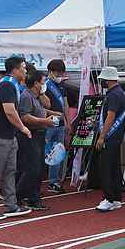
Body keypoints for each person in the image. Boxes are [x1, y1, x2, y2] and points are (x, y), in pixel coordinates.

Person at [0, 57, 32, 222]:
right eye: (23, 68)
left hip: (7, 135)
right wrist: (23, 128)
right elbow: (9, 111)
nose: (25, 71)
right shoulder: (7, 85)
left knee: (10, 170)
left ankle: (11, 205)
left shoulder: (11, 85)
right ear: (15, 70)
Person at [16, 70, 55, 211]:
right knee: (32, 169)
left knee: (38, 168)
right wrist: (44, 121)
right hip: (30, 135)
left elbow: (48, 105)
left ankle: (34, 198)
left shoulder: (37, 96)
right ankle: (18, 196)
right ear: (36, 83)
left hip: (39, 134)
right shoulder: (26, 96)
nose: (44, 84)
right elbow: (25, 117)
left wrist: (42, 92)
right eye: (43, 82)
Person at [93, 67, 125, 210]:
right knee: (114, 168)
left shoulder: (113, 95)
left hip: (110, 137)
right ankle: (116, 198)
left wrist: (102, 136)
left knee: (106, 168)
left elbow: (110, 116)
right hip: (116, 136)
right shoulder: (120, 93)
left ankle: (109, 198)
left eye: (102, 79)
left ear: (107, 79)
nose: (101, 81)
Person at [42, 60, 70, 193]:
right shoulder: (44, 85)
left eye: (61, 72)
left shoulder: (62, 86)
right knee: (43, 152)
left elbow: (65, 105)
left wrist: (68, 122)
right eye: (57, 72)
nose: (59, 75)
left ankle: (53, 182)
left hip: (60, 125)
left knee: (57, 153)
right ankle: (36, 180)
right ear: (50, 72)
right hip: (48, 124)